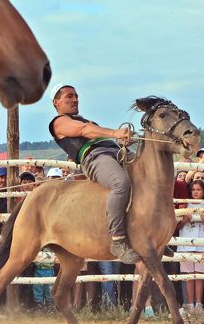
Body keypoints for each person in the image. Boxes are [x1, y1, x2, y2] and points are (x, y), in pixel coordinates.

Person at [48, 84, 140, 263]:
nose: (75, 99)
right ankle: (118, 240)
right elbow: (84, 131)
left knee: (149, 174)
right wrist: (115, 133)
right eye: (69, 96)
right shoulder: (59, 122)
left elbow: (93, 132)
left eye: (76, 95)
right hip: (96, 157)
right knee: (120, 183)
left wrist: (124, 141)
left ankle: (148, 231)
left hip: (116, 153)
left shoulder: (83, 120)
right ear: (56, 103)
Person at [176, 179, 204, 316]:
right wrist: (184, 220)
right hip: (185, 245)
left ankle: (199, 304)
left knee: (200, 276)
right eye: (194, 189)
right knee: (189, 276)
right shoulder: (184, 206)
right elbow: (177, 228)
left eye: (199, 190)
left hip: (201, 245)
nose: (196, 192)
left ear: (203, 192)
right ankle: (190, 304)